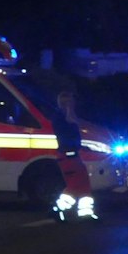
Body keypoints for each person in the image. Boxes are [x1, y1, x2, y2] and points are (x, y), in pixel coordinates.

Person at [50, 90, 97, 221]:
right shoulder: (61, 117)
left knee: (83, 184)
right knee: (75, 185)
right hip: (68, 156)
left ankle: (85, 213)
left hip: (72, 155)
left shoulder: (60, 116)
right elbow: (69, 129)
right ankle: (58, 208)